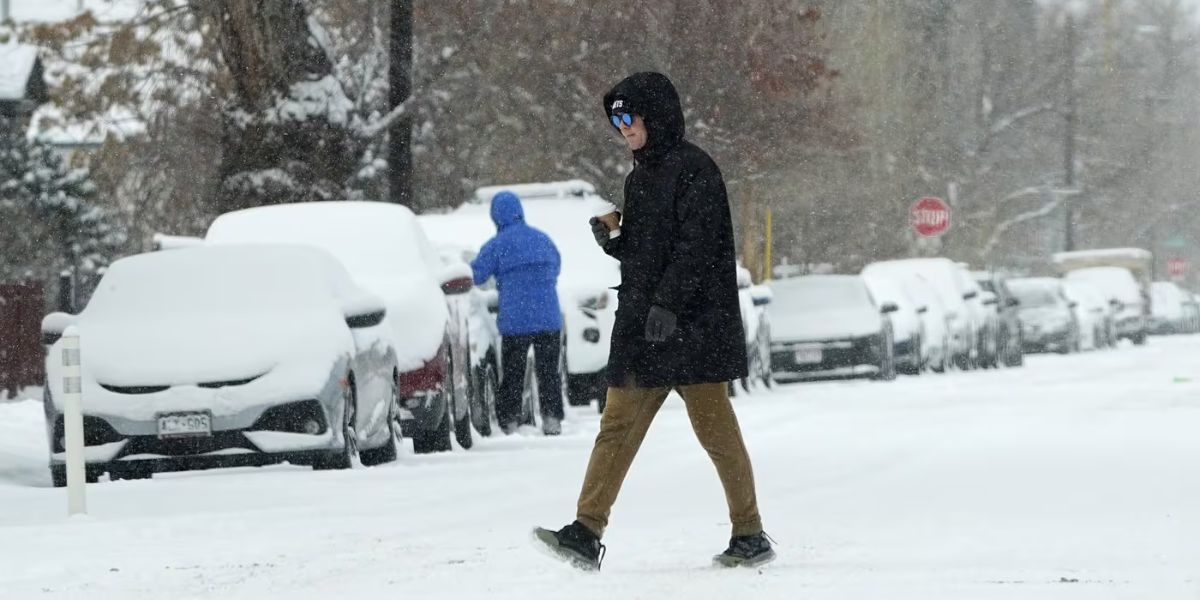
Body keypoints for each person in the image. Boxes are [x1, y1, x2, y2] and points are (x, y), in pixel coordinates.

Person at [533, 72, 773, 569]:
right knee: (616, 424)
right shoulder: (639, 176)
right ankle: (585, 530)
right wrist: (617, 242)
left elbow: (697, 248)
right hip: (647, 328)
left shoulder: (695, 170)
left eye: (629, 116)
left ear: (656, 116)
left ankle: (749, 533)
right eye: (615, 119)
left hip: (694, 326)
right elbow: (649, 251)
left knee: (716, 431)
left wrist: (668, 302)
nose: (622, 127)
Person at [470, 191, 565, 436]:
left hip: (516, 320)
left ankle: (509, 421)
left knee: (513, 372)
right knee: (548, 372)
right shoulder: (542, 239)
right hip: (548, 317)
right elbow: (556, 266)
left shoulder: (496, 246)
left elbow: (476, 275)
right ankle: (552, 418)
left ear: (496, 216)